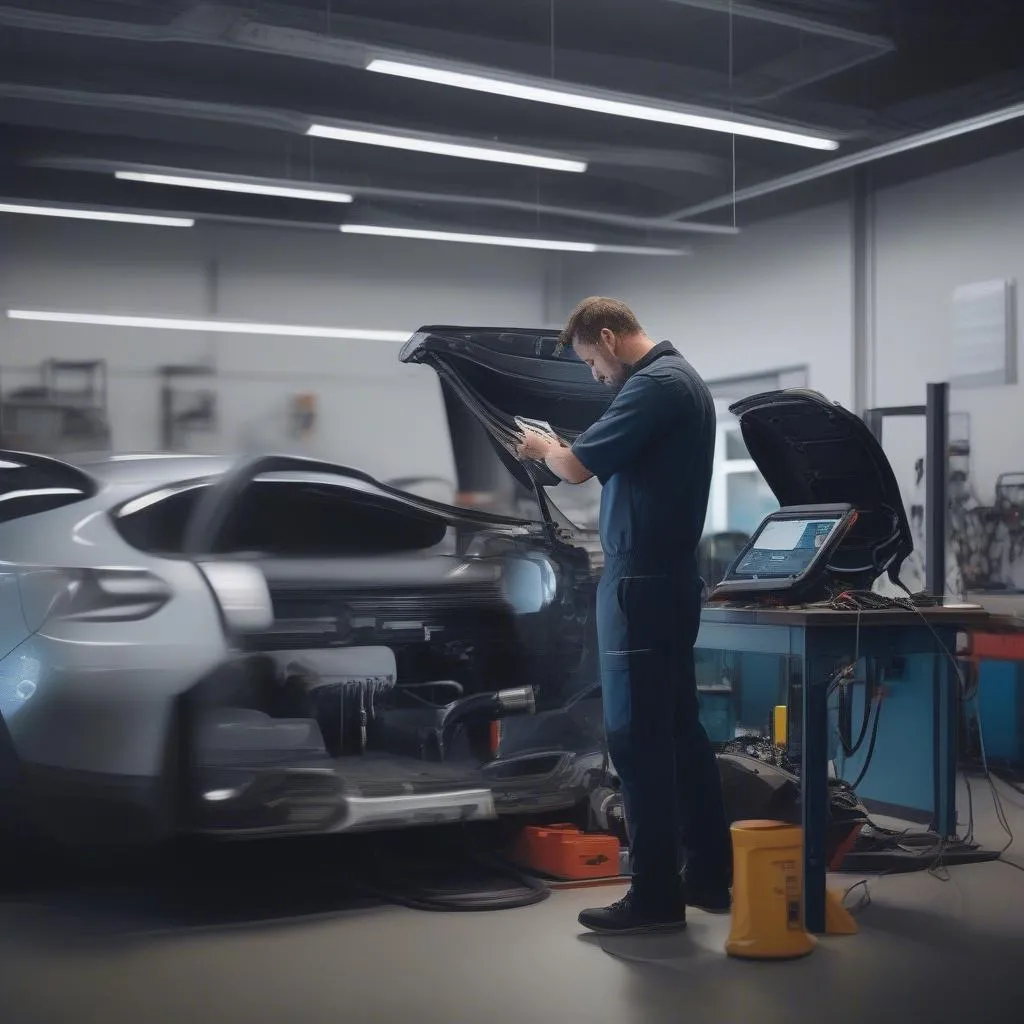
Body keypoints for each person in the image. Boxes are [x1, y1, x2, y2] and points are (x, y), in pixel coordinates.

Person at [516, 296, 732, 935]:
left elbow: (576, 467)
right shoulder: (684, 382)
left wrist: (540, 447)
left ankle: (655, 897)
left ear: (607, 338)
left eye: (589, 362)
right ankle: (708, 877)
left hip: (639, 582)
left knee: (637, 738)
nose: (593, 376)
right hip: (670, 577)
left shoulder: (655, 385)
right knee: (680, 732)